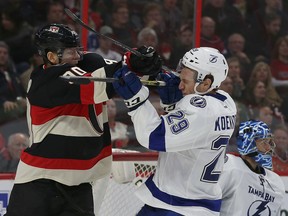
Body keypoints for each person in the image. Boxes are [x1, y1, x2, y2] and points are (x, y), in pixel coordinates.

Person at [4, 23, 161, 216]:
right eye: (71, 52)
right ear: (52, 56)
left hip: (80, 183)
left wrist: (140, 61)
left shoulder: (87, 62)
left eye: (77, 49)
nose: (77, 56)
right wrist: (130, 65)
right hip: (40, 182)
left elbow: (120, 70)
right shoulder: (44, 81)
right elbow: (105, 82)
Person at [113, 47, 237, 215]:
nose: (180, 85)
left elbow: (153, 136)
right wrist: (173, 107)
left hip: (181, 206)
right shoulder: (225, 101)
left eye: (185, 81)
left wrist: (136, 100)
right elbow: (189, 135)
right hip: (185, 201)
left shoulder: (200, 110)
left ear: (206, 83)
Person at [219, 120, 285, 215]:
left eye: (269, 142)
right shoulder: (229, 167)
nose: (268, 148)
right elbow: (208, 202)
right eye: (263, 142)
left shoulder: (276, 182)